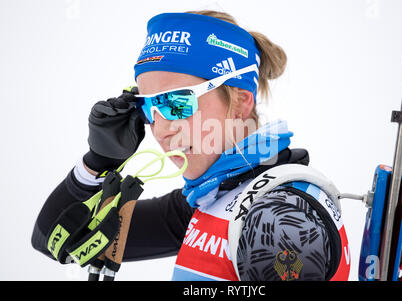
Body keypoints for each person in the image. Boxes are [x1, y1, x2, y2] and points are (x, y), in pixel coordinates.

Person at [32, 10, 350, 281]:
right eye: (149, 108)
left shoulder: (276, 214)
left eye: (178, 102)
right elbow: (55, 241)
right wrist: (99, 160)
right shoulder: (210, 199)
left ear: (241, 102)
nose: (162, 130)